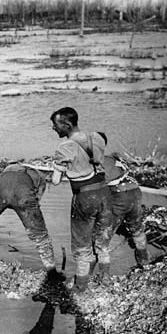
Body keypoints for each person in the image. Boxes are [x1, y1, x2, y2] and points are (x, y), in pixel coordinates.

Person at [49, 107, 114, 293]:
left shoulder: (64, 147)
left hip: (84, 197)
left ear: (66, 124)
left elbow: (55, 181)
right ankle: (105, 280)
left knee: (81, 245)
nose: (54, 128)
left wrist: (56, 168)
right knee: (102, 240)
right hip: (104, 193)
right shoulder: (97, 137)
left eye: (55, 125)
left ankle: (81, 287)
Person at [0, 163, 64, 282]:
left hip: (1, 188)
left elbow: (5, 189)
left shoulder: (8, 169)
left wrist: (9, 202)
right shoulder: (41, 177)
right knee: (39, 234)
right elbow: (36, 199)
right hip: (23, 194)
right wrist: (23, 209)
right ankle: (52, 272)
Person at [98, 132, 150, 267]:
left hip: (119, 196)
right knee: (136, 229)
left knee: (103, 236)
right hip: (135, 193)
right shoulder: (114, 159)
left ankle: (103, 276)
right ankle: (145, 263)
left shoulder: (99, 162)